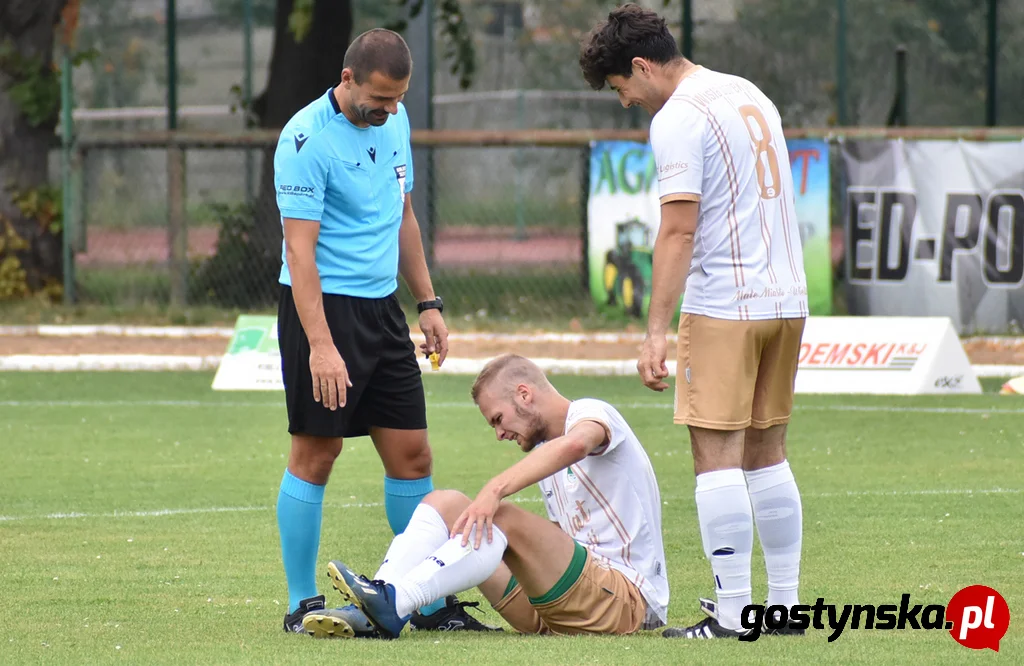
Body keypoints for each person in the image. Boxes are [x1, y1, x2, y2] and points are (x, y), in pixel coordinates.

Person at [579, 4, 808, 640]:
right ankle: (782, 610)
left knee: (717, 456)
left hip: (726, 302)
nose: (626, 102)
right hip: (786, 299)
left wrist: (656, 329)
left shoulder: (678, 115)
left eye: (623, 88)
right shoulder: (747, 91)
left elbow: (679, 229)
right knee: (768, 455)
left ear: (642, 65)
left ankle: (736, 617)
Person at [272, 28, 496, 635]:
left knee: (412, 454)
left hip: (382, 312)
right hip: (322, 311)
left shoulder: (392, 124)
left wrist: (428, 302)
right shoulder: (303, 139)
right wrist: (321, 346)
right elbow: (302, 251)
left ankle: (419, 597)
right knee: (318, 453)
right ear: (347, 80)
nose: (390, 110)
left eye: (398, 99)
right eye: (380, 98)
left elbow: (402, 216)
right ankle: (302, 602)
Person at [302, 354, 669, 639]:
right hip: (556, 608)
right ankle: (380, 603)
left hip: (626, 602)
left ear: (524, 394)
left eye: (497, 419)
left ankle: (396, 603)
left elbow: (576, 444)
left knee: (501, 516)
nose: (499, 433)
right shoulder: (544, 451)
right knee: (445, 503)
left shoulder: (591, 413)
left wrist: (495, 490)